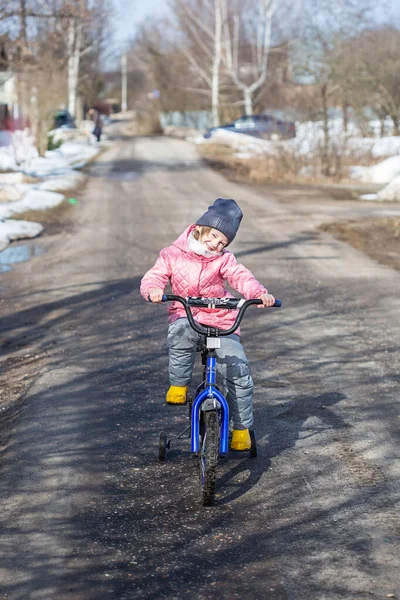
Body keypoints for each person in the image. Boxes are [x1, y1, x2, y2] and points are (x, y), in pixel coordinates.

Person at [140, 198, 275, 451]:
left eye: (222, 242)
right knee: (180, 333)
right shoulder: (172, 254)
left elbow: (241, 277)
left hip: (221, 319)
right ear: (201, 227)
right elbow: (155, 275)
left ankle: (241, 429)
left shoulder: (224, 260)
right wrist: (154, 289)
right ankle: (178, 385)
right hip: (187, 313)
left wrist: (259, 294)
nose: (215, 244)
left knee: (237, 369)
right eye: (213, 236)